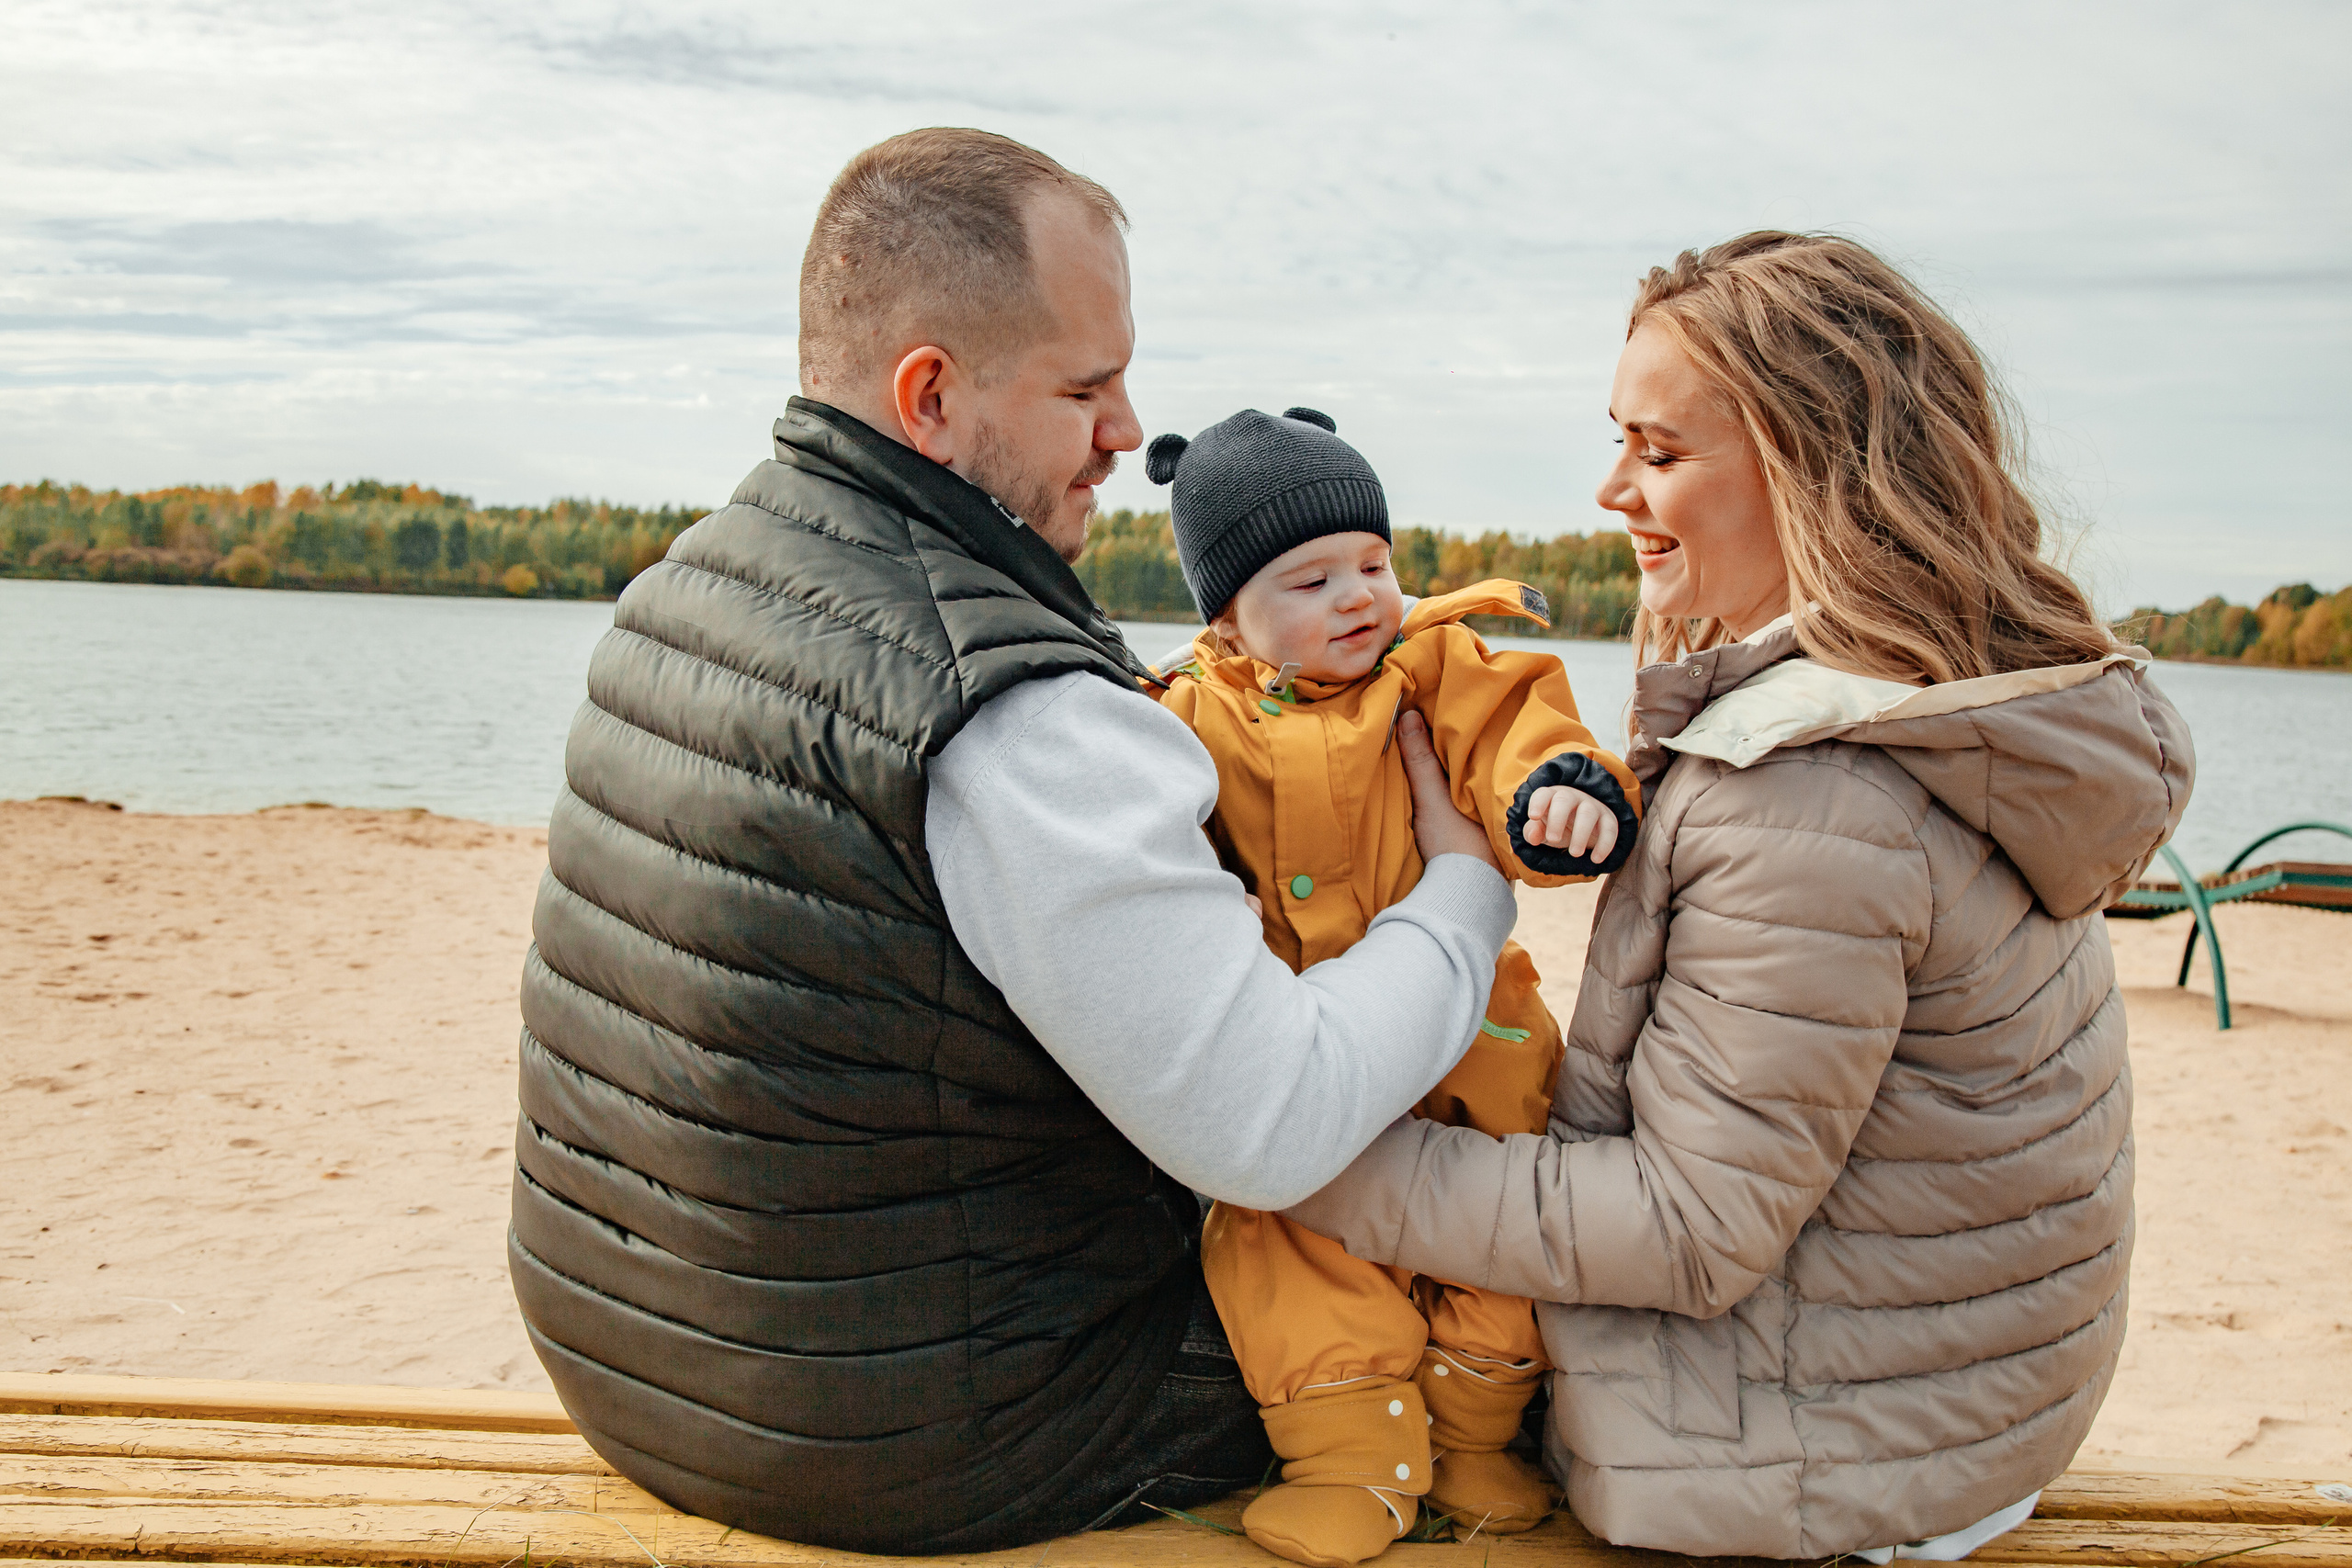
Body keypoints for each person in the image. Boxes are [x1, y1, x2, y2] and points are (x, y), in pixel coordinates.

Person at [507, 129, 1524, 1556]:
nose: (1125, 431)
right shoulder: (1016, 708)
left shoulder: (692, 581)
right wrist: (1468, 887)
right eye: (1085, 387)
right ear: (929, 395)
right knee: (1494, 1335)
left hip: (645, 1361)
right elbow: (1272, 1122)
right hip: (936, 1432)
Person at [1284, 231, 2196, 1561]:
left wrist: (1303, 1149)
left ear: (1814, 474)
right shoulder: (1949, 702)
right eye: (1620, 443)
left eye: (1659, 453)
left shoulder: (1811, 796)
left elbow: (1690, 1224)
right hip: (1952, 1406)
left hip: (1832, 1467)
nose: (1613, 489)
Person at [1140, 405, 1637, 1564]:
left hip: (1475, 1033)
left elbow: (1514, 723)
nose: (1357, 596)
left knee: (1506, 1224)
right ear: (1226, 612)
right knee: (1286, 1236)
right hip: (1308, 1039)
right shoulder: (1186, 715)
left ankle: (1474, 1440)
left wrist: (1558, 791)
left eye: (1371, 564)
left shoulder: (1435, 665)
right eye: (1308, 581)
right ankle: (1354, 1457)